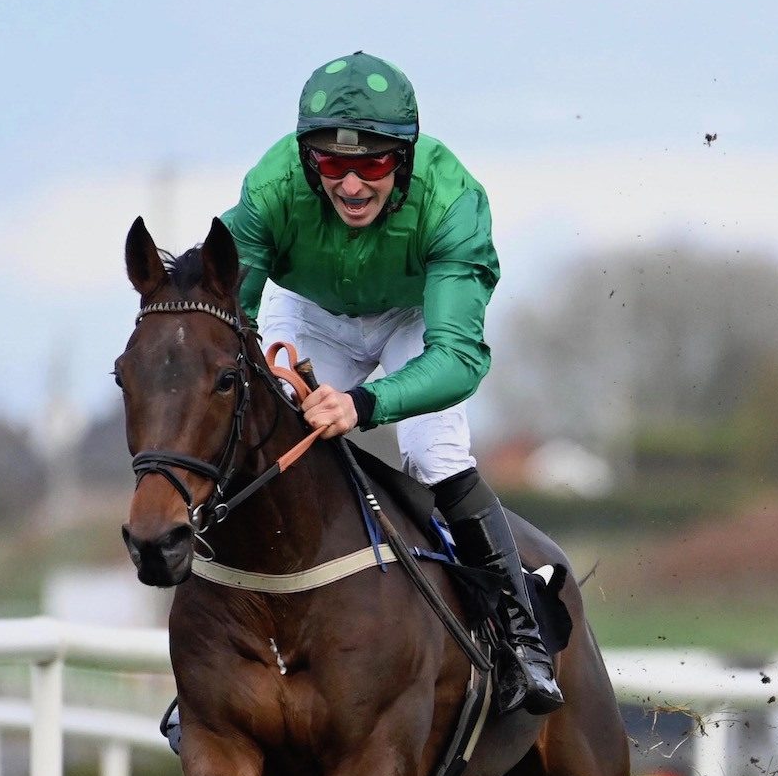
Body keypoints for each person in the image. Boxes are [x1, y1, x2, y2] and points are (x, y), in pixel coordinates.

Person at [220, 51, 561, 715]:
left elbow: (458, 358)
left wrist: (363, 403)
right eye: (331, 165)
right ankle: (220, 653)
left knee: (432, 454)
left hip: (413, 316)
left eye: (371, 164)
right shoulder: (269, 187)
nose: (350, 185)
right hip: (312, 310)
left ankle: (522, 639)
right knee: (259, 451)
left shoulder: (453, 199)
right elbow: (231, 311)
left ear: (402, 159)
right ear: (305, 159)